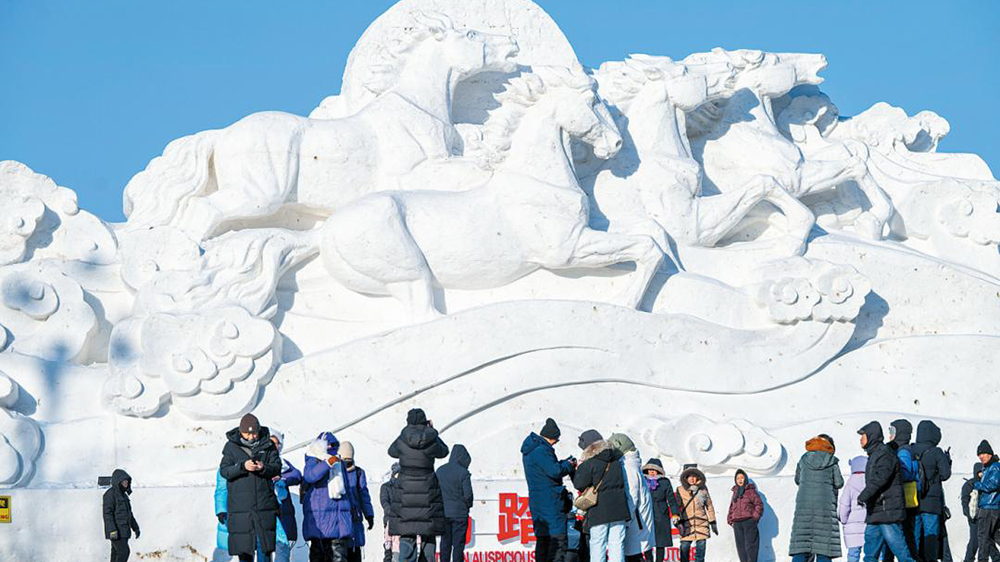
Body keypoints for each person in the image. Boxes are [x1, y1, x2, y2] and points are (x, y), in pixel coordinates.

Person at [388, 408, 450, 562]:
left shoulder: (402, 439)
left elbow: (392, 451)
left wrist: (406, 432)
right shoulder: (431, 438)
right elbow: (444, 451)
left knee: (407, 533)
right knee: (429, 533)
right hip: (428, 491)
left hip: (405, 492)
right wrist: (432, 431)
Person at [220, 413, 282, 562]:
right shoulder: (231, 447)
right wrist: (242, 466)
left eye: (254, 433)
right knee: (244, 552)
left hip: (264, 507)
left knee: (264, 550)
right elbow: (225, 471)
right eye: (247, 433)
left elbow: (276, 467)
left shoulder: (268, 445)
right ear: (241, 432)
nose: (251, 437)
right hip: (241, 509)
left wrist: (263, 467)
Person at [856, 421, 915, 562]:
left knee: (902, 553)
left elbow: (880, 478)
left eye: (863, 436)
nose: (860, 439)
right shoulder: (875, 454)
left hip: (887, 512)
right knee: (870, 555)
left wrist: (864, 495)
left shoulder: (884, 454)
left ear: (871, 436)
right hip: (876, 512)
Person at [522, 418, 576, 562]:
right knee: (557, 543)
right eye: (557, 439)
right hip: (551, 502)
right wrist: (569, 465)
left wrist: (563, 463)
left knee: (543, 542)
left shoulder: (531, 449)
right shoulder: (542, 450)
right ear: (553, 437)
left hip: (538, 502)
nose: (557, 442)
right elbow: (555, 471)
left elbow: (547, 469)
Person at [573, 431, 630, 562]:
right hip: (619, 509)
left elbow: (579, 484)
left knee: (598, 544)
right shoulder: (616, 461)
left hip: (599, 511)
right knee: (617, 544)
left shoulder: (589, 464)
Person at [789, 435, 844, 562]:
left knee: (801, 546)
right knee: (823, 549)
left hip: (804, 509)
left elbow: (798, 479)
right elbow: (839, 483)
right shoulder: (831, 461)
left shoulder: (804, 459)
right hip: (824, 509)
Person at [302, 431, 355, 562]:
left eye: (333, 445)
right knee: (319, 556)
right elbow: (310, 476)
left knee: (340, 557)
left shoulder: (339, 462)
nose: (331, 448)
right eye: (328, 445)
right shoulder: (313, 460)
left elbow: (346, 489)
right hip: (321, 521)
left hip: (338, 519)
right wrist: (327, 464)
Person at [607, 433, 655, 562]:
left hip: (636, 522)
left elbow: (632, 496)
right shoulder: (631, 464)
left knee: (635, 556)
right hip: (638, 520)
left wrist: (626, 520)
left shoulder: (629, 467)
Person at [911, 420, 953, 561]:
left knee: (914, 536)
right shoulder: (936, 452)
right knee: (931, 536)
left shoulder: (911, 450)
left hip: (914, 501)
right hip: (931, 502)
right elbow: (945, 474)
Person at [436, 444, 474, 562]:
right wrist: (467, 506)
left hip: (444, 514)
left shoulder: (440, 471)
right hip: (460, 514)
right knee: (458, 544)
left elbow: (435, 492)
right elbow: (468, 495)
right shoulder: (463, 473)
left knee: (445, 543)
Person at [340, 442, 375, 562]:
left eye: (349, 460)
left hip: (355, 519)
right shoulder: (336, 472)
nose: (347, 463)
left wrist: (369, 514)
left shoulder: (359, 473)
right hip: (341, 521)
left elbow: (364, 496)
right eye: (344, 459)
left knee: (355, 554)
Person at [676, 465, 717, 562]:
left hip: (701, 523)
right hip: (687, 524)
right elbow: (677, 506)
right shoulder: (680, 489)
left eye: (694, 476)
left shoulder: (703, 489)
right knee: (684, 547)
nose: (692, 479)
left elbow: (709, 506)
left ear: (698, 477)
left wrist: (713, 521)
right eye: (689, 476)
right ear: (685, 478)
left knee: (700, 551)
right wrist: (677, 520)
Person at [643, 458, 680, 562]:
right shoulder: (642, 481)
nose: (652, 472)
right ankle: (649, 560)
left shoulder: (665, 482)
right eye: (650, 469)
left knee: (661, 541)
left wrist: (675, 514)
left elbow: (671, 500)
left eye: (654, 470)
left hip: (661, 513)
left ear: (659, 470)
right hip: (647, 512)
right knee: (646, 539)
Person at [963, 462, 999, 562]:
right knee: (975, 542)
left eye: (982, 472)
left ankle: (996, 559)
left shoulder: (987, 484)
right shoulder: (970, 484)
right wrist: (969, 516)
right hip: (974, 518)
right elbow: (965, 502)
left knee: (988, 541)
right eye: (979, 472)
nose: (981, 475)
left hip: (986, 516)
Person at [103, 468, 141, 562]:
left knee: (116, 554)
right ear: (118, 481)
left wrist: (135, 528)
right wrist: (112, 530)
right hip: (116, 531)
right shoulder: (110, 494)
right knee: (124, 552)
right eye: (124, 481)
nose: (126, 483)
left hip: (124, 531)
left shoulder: (124, 496)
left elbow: (129, 514)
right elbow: (108, 514)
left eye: (127, 481)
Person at [728, 469, 764, 562]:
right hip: (737, 523)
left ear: (746, 479)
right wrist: (730, 519)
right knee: (741, 547)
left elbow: (759, 505)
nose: (740, 480)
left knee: (751, 546)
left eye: (742, 478)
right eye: (738, 478)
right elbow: (732, 506)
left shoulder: (751, 491)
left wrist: (754, 518)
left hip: (748, 522)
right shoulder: (735, 492)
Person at [974, 440, 1000, 562]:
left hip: (989, 507)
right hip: (991, 507)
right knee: (992, 537)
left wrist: (977, 484)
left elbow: (992, 485)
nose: (981, 457)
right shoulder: (989, 467)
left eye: (983, 453)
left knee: (983, 538)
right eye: (979, 455)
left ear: (990, 453)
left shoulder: (995, 467)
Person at [839, 456, 869, 562]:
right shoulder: (871, 482)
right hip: (869, 525)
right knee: (872, 554)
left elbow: (844, 505)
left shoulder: (850, 483)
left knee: (853, 555)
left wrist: (844, 520)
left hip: (852, 526)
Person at [381, 463, 401, 562]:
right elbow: (384, 502)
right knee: (388, 548)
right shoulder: (386, 487)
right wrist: (394, 513)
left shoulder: (405, 487)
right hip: (390, 520)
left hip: (403, 521)